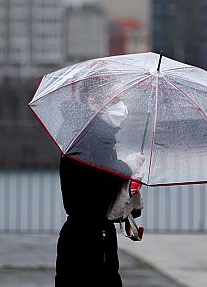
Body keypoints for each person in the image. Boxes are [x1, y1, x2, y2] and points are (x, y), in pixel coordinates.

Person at [55, 83, 142, 287]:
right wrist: (126, 168)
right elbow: (93, 188)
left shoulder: (96, 135)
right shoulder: (84, 136)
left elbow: (99, 186)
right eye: (115, 100)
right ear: (94, 102)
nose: (122, 107)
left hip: (96, 238)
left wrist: (129, 192)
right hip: (85, 244)